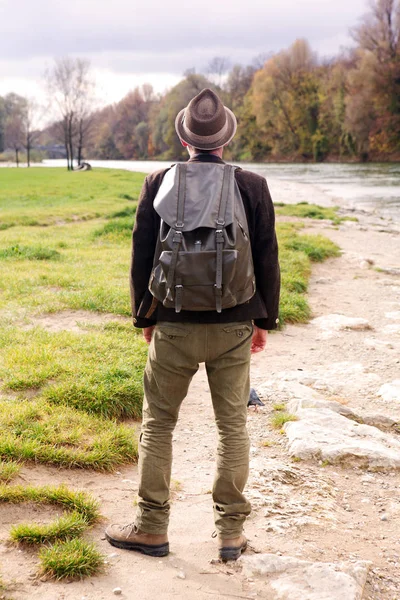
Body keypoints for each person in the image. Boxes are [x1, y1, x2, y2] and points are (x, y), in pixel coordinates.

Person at [105, 88, 280, 561]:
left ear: (186, 139)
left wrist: (146, 316)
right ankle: (230, 534)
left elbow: (142, 257)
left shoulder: (157, 180)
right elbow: (266, 258)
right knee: (232, 428)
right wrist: (262, 320)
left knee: (158, 425)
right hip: (234, 324)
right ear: (226, 139)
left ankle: (151, 528)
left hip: (174, 325)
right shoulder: (253, 185)